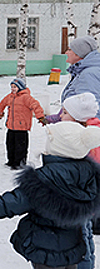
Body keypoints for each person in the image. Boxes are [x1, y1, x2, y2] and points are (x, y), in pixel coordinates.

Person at [0, 121, 100, 269]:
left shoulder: (46, 177)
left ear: (58, 147)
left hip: (44, 247)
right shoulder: (90, 174)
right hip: (72, 246)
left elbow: (16, 200)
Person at [58, 92, 100, 269]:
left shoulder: (87, 139)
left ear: (77, 118)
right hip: (82, 200)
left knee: (81, 239)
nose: (61, 116)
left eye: (65, 113)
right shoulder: (85, 132)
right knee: (85, 234)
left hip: (83, 201)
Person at [46, 36, 100, 123]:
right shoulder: (83, 72)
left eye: (69, 50)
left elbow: (91, 108)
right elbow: (78, 104)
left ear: (78, 53)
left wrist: (90, 131)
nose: (66, 52)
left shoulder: (88, 74)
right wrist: (60, 116)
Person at [0, 78, 46, 169]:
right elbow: (2, 103)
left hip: (22, 127)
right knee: (10, 145)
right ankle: (11, 161)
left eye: (15, 87)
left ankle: (19, 163)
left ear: (20, 87)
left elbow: (36, 106)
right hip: (11, 126)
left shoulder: (26, 97)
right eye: (11, 87)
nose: (13, 89)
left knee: (20, 147)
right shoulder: (10, 97)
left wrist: (40, 117)